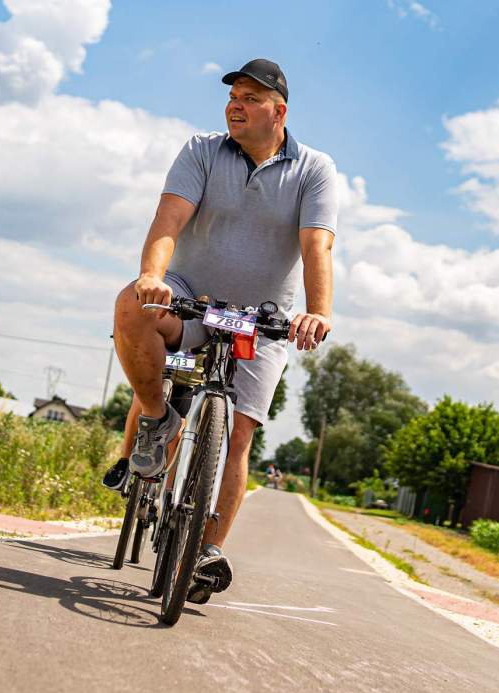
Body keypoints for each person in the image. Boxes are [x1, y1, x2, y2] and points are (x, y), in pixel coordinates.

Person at [111, 57, 337, 601]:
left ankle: (205, 549)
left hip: (262, 319)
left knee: (239, 436)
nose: (236, 104)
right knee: (129, 306)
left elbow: (316, 245)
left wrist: (318, 310)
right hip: (193, 297)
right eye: (233, 95)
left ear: (278, 111)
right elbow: (169, 220)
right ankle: (160, 418)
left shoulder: (313, 169)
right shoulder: (201, 150)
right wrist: (152, 276)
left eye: (250, 97)